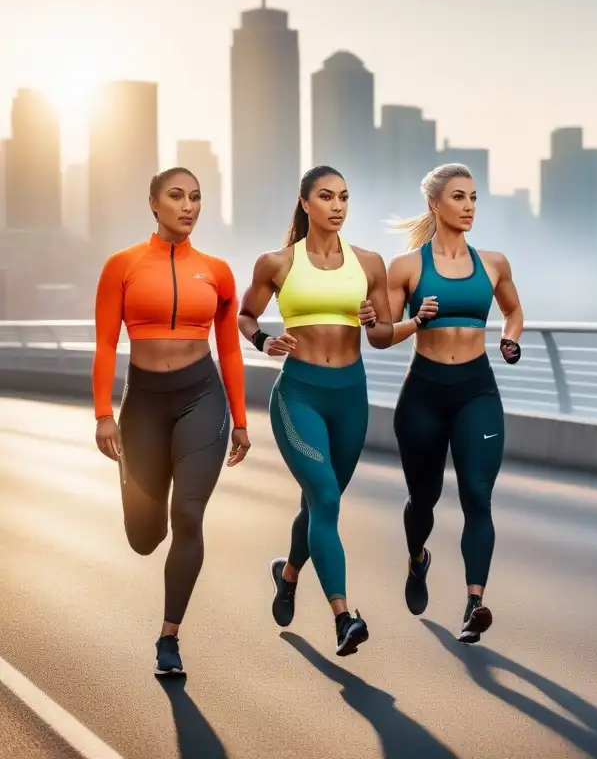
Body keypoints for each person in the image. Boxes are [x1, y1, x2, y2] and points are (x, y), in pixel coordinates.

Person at [92, 167, 250, 677]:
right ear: (154, 204)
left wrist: (242, 420)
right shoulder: (122, 265)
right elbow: (105, 344)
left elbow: (228, 347)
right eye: (177, 196)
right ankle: (145, 519)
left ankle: (169, 638)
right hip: (142, 405)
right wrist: (102, 415)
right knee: (144, 535)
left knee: (188, 514)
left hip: (201, 398)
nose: (188, 206)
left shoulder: (218, 271)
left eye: (196, 198)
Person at [237, 165, 393, 657]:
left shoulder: (369, 263)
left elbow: (383, 334)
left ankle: (288, 574)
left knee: (317, 504)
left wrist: (374, 320)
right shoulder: (278, 263)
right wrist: (264, 339)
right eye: (326, 197)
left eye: (344, 197)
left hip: (351, 396)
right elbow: (245, 314)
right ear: (305, 203)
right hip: (299, 395)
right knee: (326, 497)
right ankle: (344, 617)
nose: (337, 205)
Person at [384, 162, 524, 644]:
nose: (469, 207)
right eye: (459, 197)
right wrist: (413, 322)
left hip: (476, 390)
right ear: (435, 204)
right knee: (423, 499)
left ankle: (473, 603)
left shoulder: (494, 263)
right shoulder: (406, 267)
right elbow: (382, 333)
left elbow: (513, 310)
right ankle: (417, 557)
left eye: (474, 198)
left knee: (477, 497)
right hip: (422, 392)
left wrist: (510, 340)